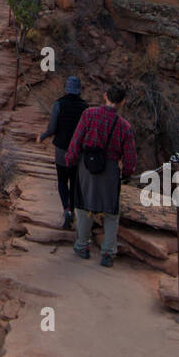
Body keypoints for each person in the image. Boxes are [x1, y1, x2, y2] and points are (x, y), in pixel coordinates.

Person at [64, 83, 136, 267]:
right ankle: (108, 253)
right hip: (110, 170)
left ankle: (82, 245)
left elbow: (77, 139)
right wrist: (127, 173)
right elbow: (129, 156)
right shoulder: (124, 126)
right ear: (122, 102)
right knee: (111, 212)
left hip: (87, 166)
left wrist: (71, 159)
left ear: (105, 96)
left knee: (83, 207)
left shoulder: (89, 115)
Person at [36, 76, 88, 230]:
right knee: (74, 181)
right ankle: (71, 209)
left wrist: (43, 136)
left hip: (61, 149)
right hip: (77, 151)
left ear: (66, 88)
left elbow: (52, 128)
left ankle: (66, 209)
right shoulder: (85, 107)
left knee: (61, 181)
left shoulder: (59, 104)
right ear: (79, 90)